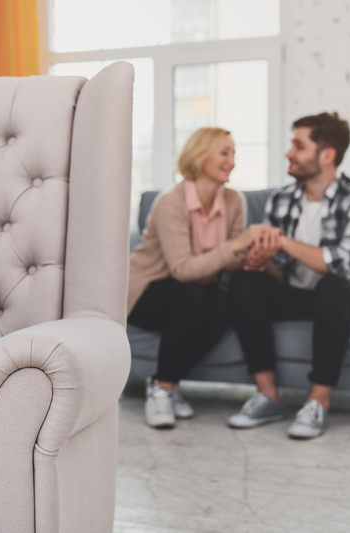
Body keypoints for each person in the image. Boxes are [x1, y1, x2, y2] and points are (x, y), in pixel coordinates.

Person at [227, 112, 350, 439]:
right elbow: (282, 273)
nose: (289, 152)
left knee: (332, 287)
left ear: (327, 155)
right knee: (246, 282)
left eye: (298, 146)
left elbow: (344, 265)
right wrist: (264, 261)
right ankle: (268, 395)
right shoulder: (282, 199)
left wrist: (284, 242)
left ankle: (318, 401)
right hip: (302, 294)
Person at [127, 127, 269, 429]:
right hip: (146, 294)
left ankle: (165, 382)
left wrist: (252, 257)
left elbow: (230, 268)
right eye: (224, 153)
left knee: (224, 301)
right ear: (200, 155)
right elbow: (181, 270)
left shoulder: (234, 201)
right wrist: (236, 245)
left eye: (233, 154)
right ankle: (163, 390)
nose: (231, 161)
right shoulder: (171, 202)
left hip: (197, 295)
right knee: (192, 294)